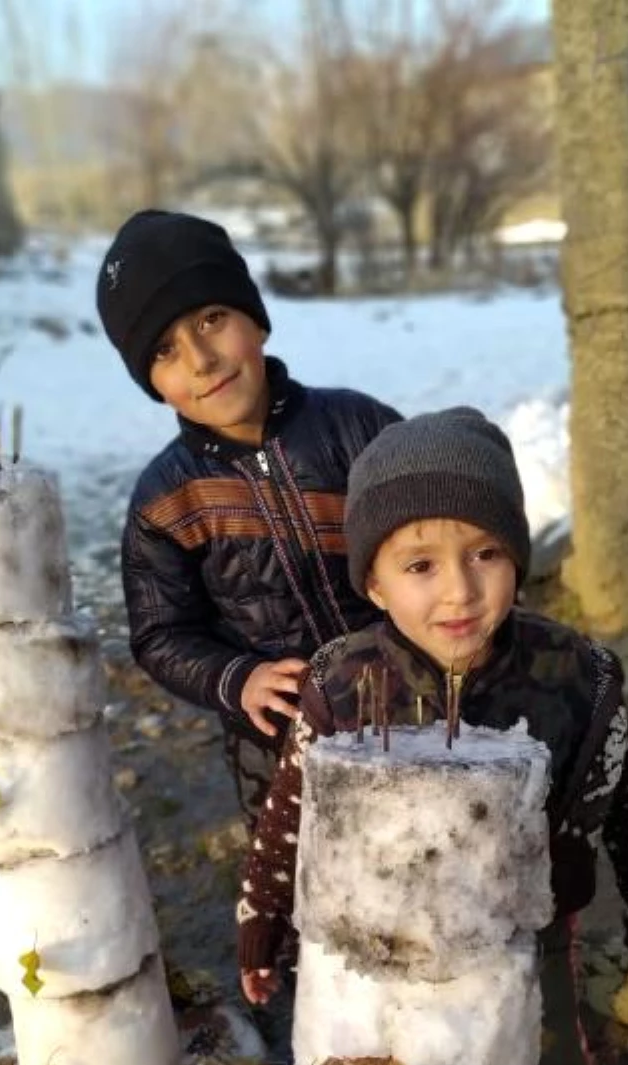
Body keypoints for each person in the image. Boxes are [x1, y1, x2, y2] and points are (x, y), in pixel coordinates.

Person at [236, 408, 628, 1065]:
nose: (460, 591)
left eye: (486, 554)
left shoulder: (574, 680)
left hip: (528, 934)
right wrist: (262, 920)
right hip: (384, 937)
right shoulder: (343, 689)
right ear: (375, 584)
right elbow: (293, 812)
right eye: (420, 565)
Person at [96, 209, 401, 826]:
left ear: (255, 319)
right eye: (166, 349)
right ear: (151, 379)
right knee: (310, 881)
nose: (202, 360)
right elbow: (161, 634)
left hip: (409, 699)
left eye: (212, 319)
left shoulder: (359, 428)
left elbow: (440, 530)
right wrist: (238, 678)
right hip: (279, 743)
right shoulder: (166, 500)